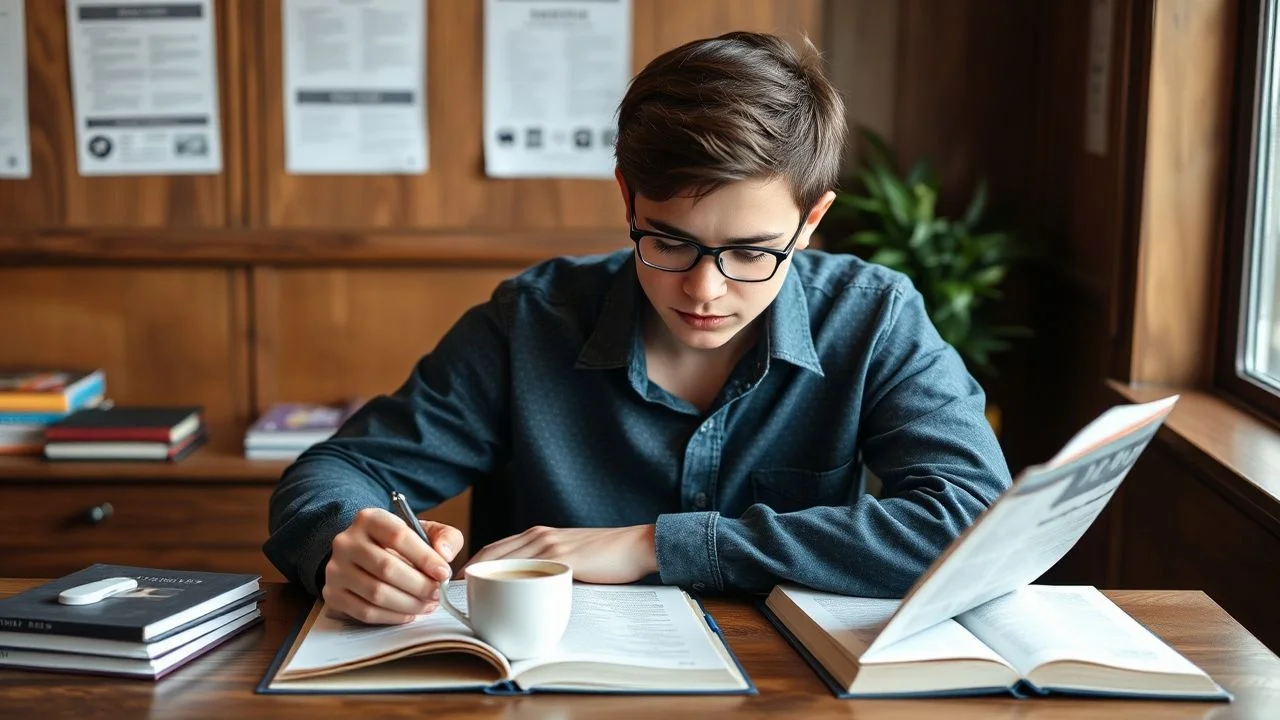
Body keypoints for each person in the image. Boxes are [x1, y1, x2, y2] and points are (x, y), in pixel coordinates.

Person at [264, 31, 1012, 625]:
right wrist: (344, 545)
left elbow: (975, 519)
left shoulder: (873, 316)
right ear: (627, 197)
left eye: (752, 252)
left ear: (811, 221)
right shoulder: (530, 320)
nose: (705, 289)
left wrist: (656, 545)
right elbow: (335, 472)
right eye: (670, 241)